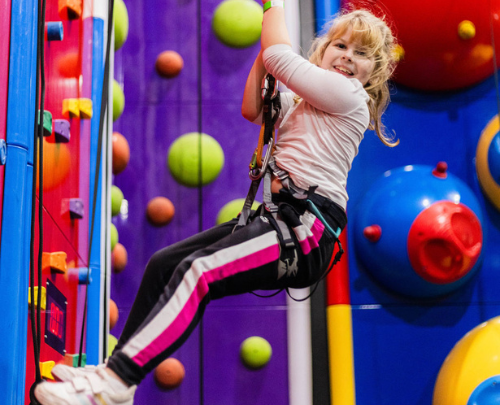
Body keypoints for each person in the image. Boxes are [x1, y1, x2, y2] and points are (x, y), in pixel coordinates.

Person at [34, 5, 398, 405]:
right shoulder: (308, 99)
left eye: (360, 54)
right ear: (323, 50)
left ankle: (117, 379)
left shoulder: (348, 97)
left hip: (306, 230)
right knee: (163, 265)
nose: (347, 56)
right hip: (280, 217)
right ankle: (118, 375)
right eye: (340, 45)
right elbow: (252, 108)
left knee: (200, 272)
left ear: (372, 73)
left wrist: (273, 13)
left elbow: (278, 56)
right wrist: (265, 55)